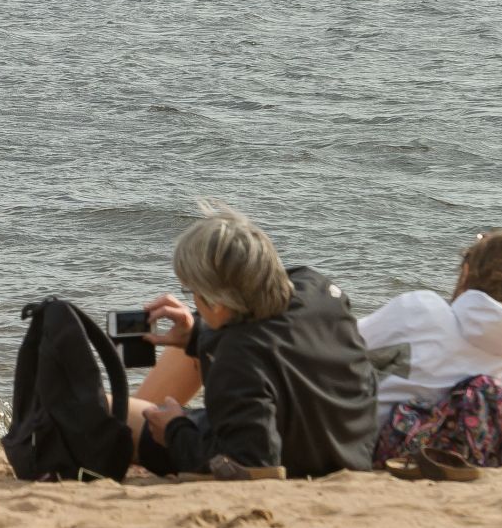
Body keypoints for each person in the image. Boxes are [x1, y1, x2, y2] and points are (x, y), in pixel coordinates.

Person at [126, 202, 376, 478]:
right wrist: (196, 332)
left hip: (296, 460)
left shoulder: (237, 357)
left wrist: (174, 430)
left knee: (114, 412)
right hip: (347, 449)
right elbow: (276, 347)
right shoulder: (317, 289)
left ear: (218, 303)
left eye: (192, 292)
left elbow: (252, 466)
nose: (193, 300)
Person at [358, 229, 502, 468]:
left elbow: (349, 346)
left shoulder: (423, 311)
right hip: (480, 458)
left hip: (388, 451)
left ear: (466, 273)